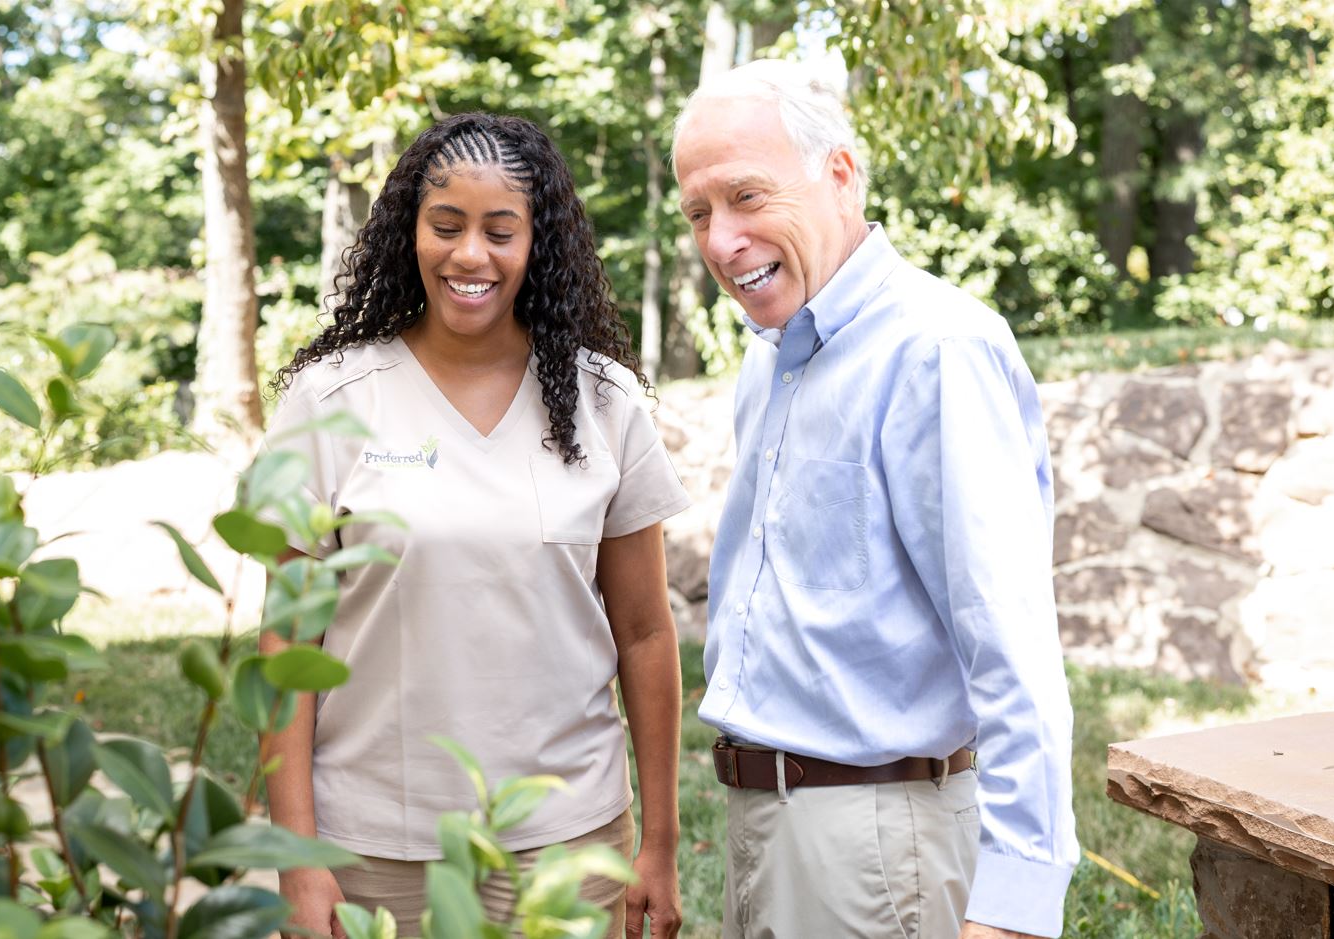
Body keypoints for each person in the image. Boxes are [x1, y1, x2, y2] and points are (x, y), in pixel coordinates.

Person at [671, 60, 1078, 939]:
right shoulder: (770, 356)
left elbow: (1010, 643)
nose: (720, 240)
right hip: (767, 831)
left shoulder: (936, 349)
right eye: (698, 212)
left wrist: (1011, 908)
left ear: (841, 174)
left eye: (746, 196)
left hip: (879, 848)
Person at [260, 112, 687, 939]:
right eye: (445, 226)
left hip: (566, 845)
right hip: (373, 847)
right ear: (407, 233)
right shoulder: (332, 399)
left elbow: (644, 633)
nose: (469, 255)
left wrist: (660, 845)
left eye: (501, 230)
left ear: (540, 243)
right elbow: (285, 646)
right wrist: (297, 855)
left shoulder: (604, 401)